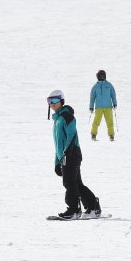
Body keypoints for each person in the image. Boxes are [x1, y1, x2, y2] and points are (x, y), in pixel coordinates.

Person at [47, 89, 101, 219]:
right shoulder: (58, 119)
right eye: (49, 101)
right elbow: (58, 144)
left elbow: (71, 135)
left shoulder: (67, 116)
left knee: (69, 182)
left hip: (72, 153)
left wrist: (67, 153)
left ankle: (74, 210)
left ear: (61, 101)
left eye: (54, 101)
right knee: (76, 183)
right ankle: (93, 207)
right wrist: (57, 161)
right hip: (65, 156)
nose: (52, 104)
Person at [88, 70, 117, 141]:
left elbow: (113, 95)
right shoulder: (95, 86)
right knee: (96, 122)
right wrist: (91, 107)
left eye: (103, 75)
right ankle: (93, 135)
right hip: (99, 108)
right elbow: (92, 97)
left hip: (108, 107)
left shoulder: (109, 85)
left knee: (110, 122)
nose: (102, 77)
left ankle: (111, 135)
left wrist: (115, 103)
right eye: (100, 75)